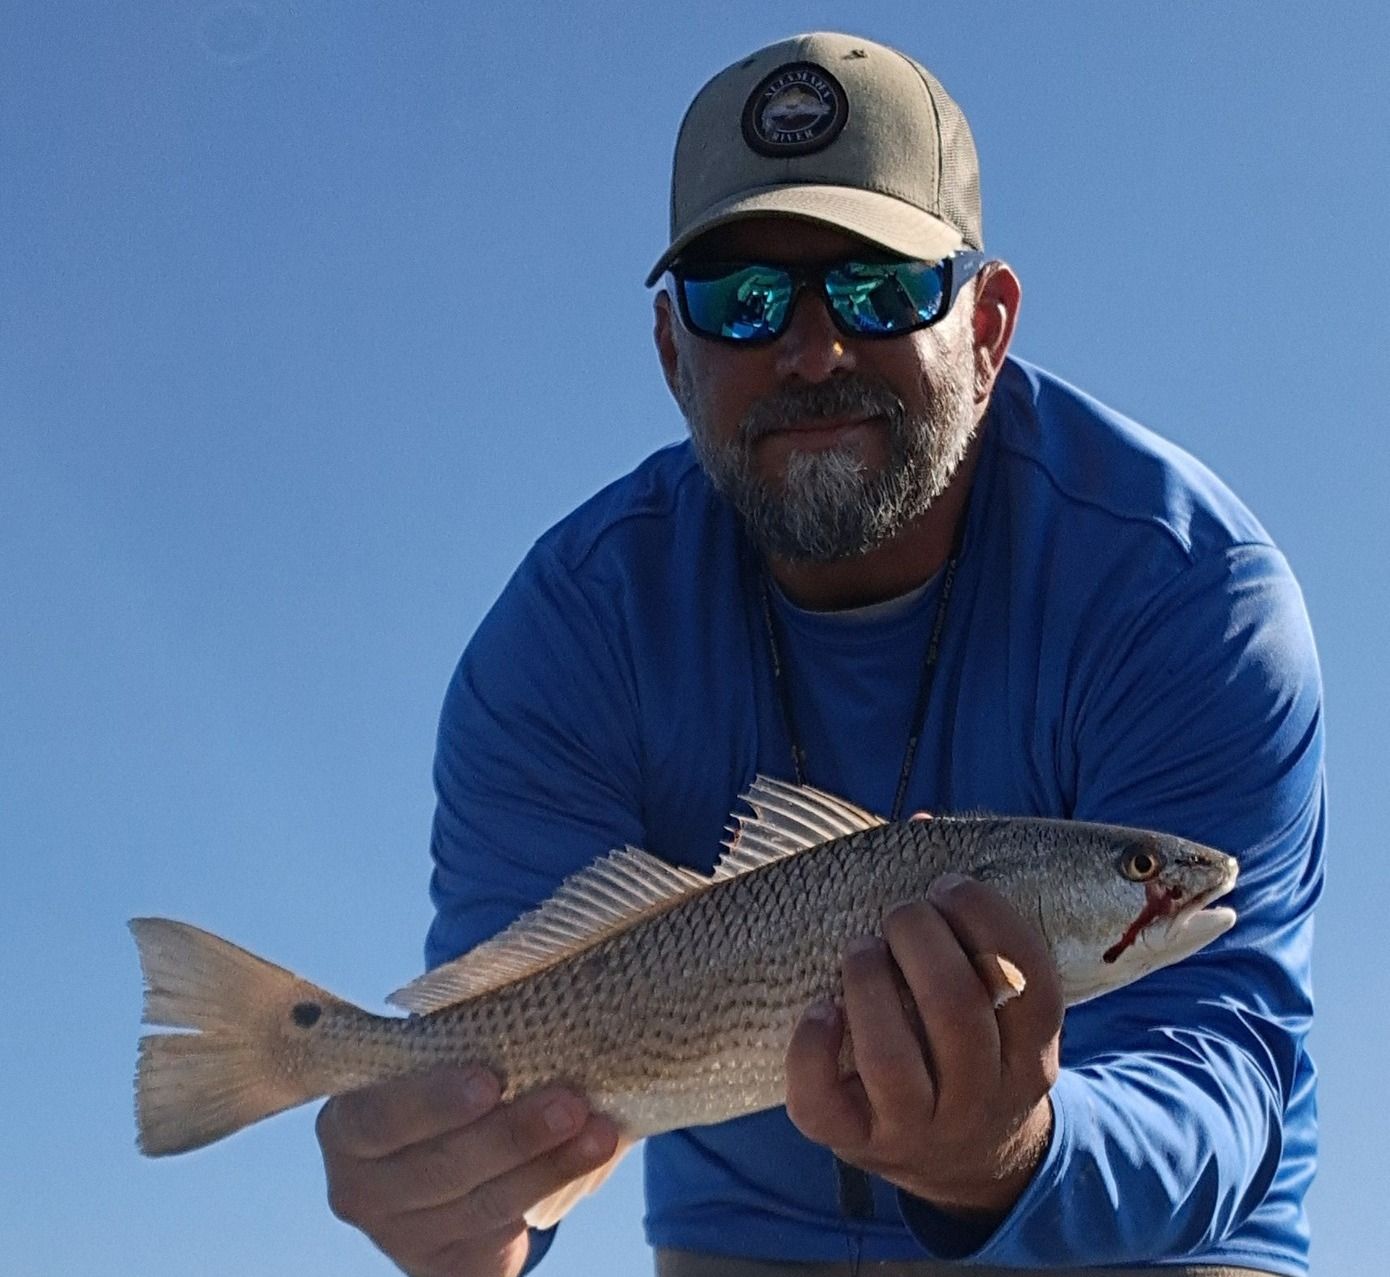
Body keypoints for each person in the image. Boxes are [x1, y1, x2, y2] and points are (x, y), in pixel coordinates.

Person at [315, 31, 1323, 1277]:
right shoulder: (564, 639)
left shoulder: (1186, 591)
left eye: (878, 288)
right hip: (753, 1248)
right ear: (671, 354)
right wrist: (458, 1201)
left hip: (1134, 1243)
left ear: (989, 323)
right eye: (738, 301)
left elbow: (1222, 1063)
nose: (809, 350)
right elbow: (502, 1058)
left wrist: (1010, 1150)